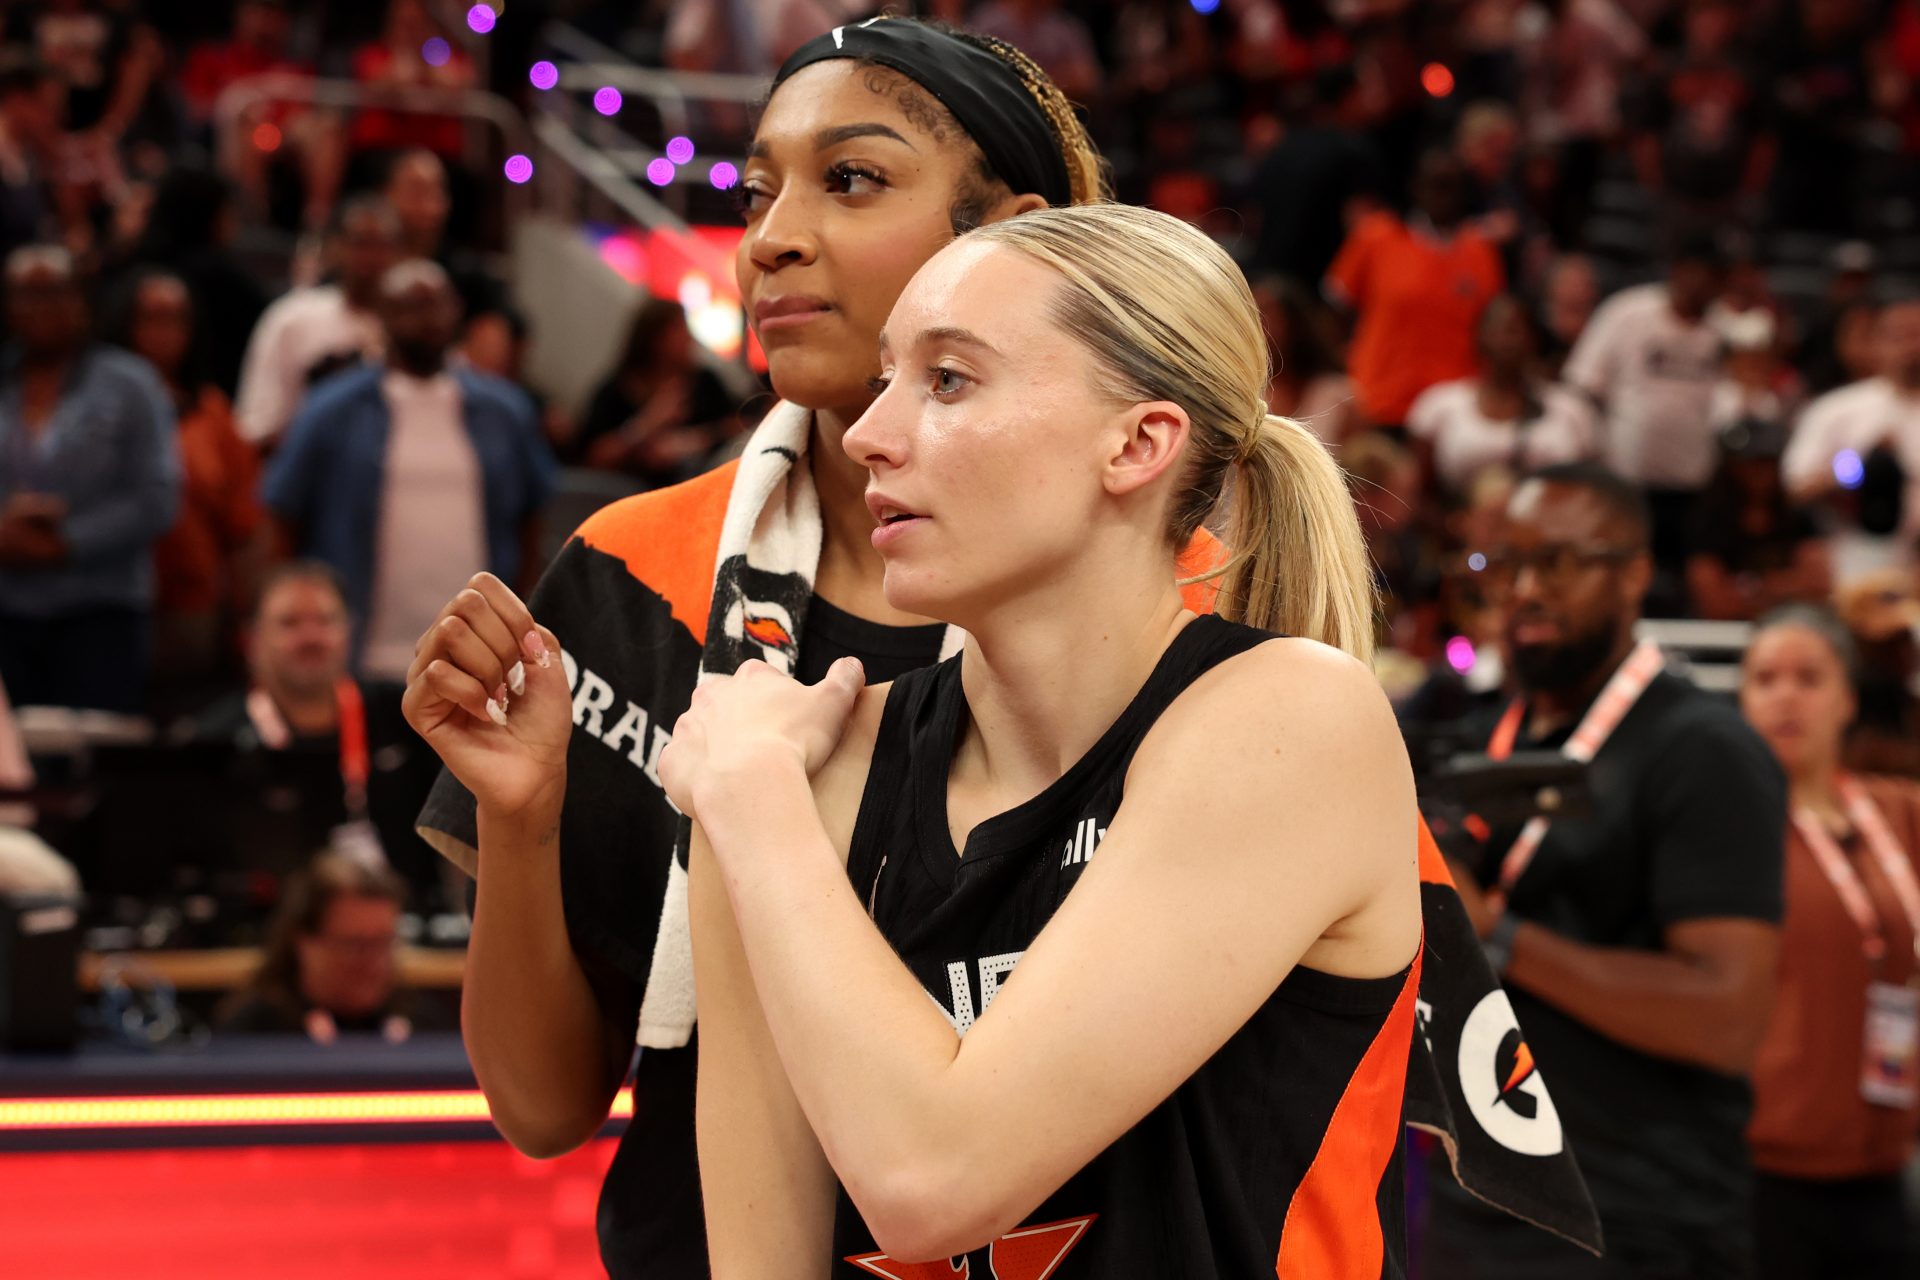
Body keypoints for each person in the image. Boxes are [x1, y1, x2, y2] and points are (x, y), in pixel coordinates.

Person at [438, 199, 1426, 1275]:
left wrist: (754, 796)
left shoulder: (1290, 721)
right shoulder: (795, 762)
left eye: (948, 380)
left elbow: (930, 1180)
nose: (868, 433)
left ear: (1138, 442)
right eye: (885, 380)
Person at [403, 19, 1124, 1278]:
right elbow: (542, 1107)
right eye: (758, 189)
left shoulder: (1182, 605)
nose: (769, 236)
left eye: (851, 179)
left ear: (1008, 233)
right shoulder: (636, 573)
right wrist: (521, 821)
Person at [1423, 462, 1786, 1279]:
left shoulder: (1704, 750)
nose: (1522, 589)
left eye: (1556, 562)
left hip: (1635, 1219)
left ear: (1632, 575)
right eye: (1505, 565)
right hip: (1472, 1200)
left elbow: (1728, 1018)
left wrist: (1500, 935)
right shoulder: (1482, 734)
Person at [261, 259, 553, 683]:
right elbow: (282, 514)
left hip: (478, 658)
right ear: (381, 314)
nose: (427, 318)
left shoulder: (504, 410)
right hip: (360, 654)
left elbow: (532, 518)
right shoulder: (330, 409)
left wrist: (521, 615)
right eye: (410, 306)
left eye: (437, 305)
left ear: (456, 312)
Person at [1739, 606, 1920, 1279]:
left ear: (1846, 697)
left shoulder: (1899, 810)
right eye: (1766, 678)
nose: (1787, 694)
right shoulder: (1728, 830)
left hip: (1887, 1162)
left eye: (1809, 677)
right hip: (1767, 1174)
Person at [0, 244, 177, 712]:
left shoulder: (131, 384)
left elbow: (156, 496)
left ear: (81, 300)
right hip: (6, 606)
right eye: (26, 294)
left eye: (54, 292)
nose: (41, 307)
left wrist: (67, 541)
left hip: (101, 609)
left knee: (94, 765)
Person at [109, 269, 265, 709]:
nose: (164, 333)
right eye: (151, 318)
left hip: (191, 610)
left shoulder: (212, 412)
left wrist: (244, 618)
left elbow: (243, 525)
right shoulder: (97, 406)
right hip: (106, 600)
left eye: (176, 319)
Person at [1563, 235, 1728, 591]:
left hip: (1692, 491)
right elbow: (1582, 387)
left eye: (1710, 277)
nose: (1698, 285)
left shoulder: (1724, 330)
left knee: (1685, 586)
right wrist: (1595, 453)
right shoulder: (1628, 312)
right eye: (1693, 273)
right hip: (1625, 482)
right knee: (1621, 578)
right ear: (1676, 270)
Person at [1325, 147, 1505, 432]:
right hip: (1380, 402)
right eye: (1433, 183)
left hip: (1452, 414)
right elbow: (1335, 305)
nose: (1441, 194)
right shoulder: (1377, 235)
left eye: (1450, 185)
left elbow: (1493, 327)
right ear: (1415, 186)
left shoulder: (1481, 251)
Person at [218, 851, 449, 1042]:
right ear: (303, 941)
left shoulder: (426, 1025)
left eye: (384, 943)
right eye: (356, 945)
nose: (375, 962)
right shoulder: (253, 1034)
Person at [233, 195, 402, 446]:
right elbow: (260, 425)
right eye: (362, 244)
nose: (373, 257)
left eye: (384, 245)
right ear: (335, 247)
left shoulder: (412, 325)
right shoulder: (293, 317)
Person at [1407, 294, 1598, 502]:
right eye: (1494, 330)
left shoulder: (1569, 409)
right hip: (1457, 523)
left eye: (1514, 330)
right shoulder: (1439, 406)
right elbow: (1416, 494)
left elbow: (1592, 489)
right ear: (1478, 337)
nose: (1504, 339)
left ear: (1533, 338)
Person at [1783, 291, 1920, 580]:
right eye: (1901, 336)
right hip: (1853, 557)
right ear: (1877, 343)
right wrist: (1857, 465)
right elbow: (1796, 488)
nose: (1913, 347)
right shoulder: (1838, 409)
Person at [569, 297, 743, 485]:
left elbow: (737, 424)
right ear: (655, 338)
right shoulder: (616, 389)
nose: (689, 338)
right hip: (628, 494)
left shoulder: (705, 381)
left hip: (698, 484)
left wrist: (692, 441)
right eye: (680, 329)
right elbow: (593, 459)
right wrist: (646, 424)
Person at [1686, 418, 1829, 621]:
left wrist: (1755, 590)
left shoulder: (1799, 517)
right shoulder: (1708, 523)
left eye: (1768, 461)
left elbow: (1819, 587)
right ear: (1732, 467)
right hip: (1721, 642)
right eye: (1752, 463)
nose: (1761, 472)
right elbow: (1715, 605)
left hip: (1793, 629)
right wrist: (1786, 588)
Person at [1250, 275, 1353, 448]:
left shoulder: (1338, 395)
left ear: (1295, 323)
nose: (1255, 325)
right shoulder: (1241, 394)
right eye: (1251, 314)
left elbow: (1361, 465)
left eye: (1265, 312)